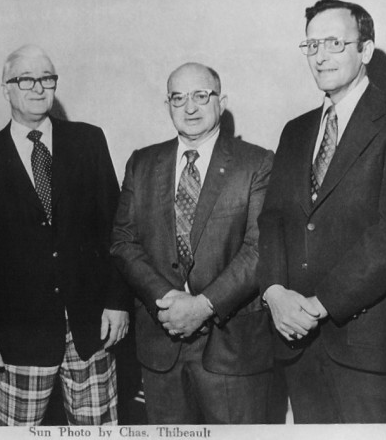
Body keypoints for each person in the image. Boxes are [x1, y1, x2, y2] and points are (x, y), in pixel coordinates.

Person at [257, 0, 386, 423]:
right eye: (312, 44)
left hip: (376, 351)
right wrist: (275, 293)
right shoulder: (295, 130)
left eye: (334, 42)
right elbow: (272, 222)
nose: (320, 55)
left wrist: (319, 305)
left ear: (366, 50)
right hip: (300, 350)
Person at [0, 45, 129, 426]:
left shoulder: (88, 141)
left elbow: (117, 230)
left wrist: (118, 302)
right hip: (18, 339)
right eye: (26, 79)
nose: (38, 88)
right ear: (6, 88)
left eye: (47, 78)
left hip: (90, 330)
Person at [111, 62, 274, 424]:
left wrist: (203, 306)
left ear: (222, 101)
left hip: (232, 349)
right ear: (167, 104)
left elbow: (258, 248)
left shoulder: (257, 163)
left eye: (201, 95)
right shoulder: (142, 162)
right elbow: (123, 241)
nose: (190, 107)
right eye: (178, 98)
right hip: (161, 344)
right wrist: (168, 301)